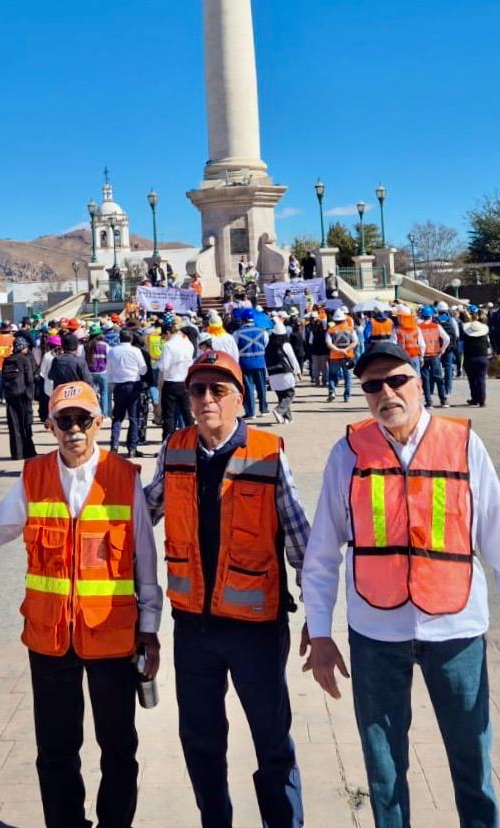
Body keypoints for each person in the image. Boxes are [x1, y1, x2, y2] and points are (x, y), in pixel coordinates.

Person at [302, 341, 500, 828]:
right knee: (384, 772)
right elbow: (323, 553)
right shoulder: (347, 453)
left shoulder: (463, 444)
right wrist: (321, 633)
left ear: (420, 380)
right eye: (373, 386)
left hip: (456, 633)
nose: (386, 393)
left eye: (397, 380)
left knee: (473, 765)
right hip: (376, 636)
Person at [145, 350, 310, 828]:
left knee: (272, 739)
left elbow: (301, 539)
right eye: (198, 389)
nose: (206, 399)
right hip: (193, 629)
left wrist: (317, 622)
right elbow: (142, 513)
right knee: (200, 740)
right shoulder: (174, 449)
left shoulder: (267, 452)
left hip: (256, 630)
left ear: (240, 397)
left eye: (219, 390)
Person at [0, 381, 161, 828]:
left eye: (83, 420)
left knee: (119, 745)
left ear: (99, 423)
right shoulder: (34, 476)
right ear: (50, 426)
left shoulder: (124, 477)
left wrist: (150, 628)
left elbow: (144, 556)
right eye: (64, 421)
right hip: (49, 639)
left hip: (112, 635)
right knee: (56, 749)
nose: (74, 430)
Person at [107, 329, 148, 456]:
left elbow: (109, 370)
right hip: (133, 384)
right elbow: (143, 369)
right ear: (131, 339)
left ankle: (114, 445)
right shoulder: (136, 351)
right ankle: (132, 447)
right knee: (134, 417)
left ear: (119, 338)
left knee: (117, 417)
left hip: (119, 385)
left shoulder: (113, 351)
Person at [158, 317, 195, 441]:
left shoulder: (168, 345)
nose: (163, 338)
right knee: (187, 413)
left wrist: (158, 362)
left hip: (171, 382)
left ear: (168, 333)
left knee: (169, 416)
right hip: (185, 381)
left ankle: (168, 441)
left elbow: (164, 366)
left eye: (163, 336)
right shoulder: (187, 342)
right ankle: (193, 439)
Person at [2, 335, 37, 459]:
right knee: (25, 423)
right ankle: (28, 451)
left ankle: (17, 453)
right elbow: (29, 378)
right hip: (23, 395)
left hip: (10, 396)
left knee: (14, 424)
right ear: (23, 347)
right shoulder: (24, 359)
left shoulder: (7, 360)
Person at [234, 308, 269, 418]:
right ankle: (264, 409)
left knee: (248, 388)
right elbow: (265, 344)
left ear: (243, 320)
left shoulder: (237, 333)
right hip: (260, 362)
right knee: (261, 386)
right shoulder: (263, 331)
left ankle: (251, 412)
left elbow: (235, 347)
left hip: (245, 363)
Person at [266, 319, 300, 423]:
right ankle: (279, 410)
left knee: (282, 396)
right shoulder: (285, 344)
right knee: (290, 394)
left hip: (272, 374)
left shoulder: (268, 346)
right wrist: (298, 372)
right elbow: (292, 359)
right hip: (285, 372)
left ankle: (287, 418)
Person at [325, 308, 359, 405]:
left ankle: (332, 392)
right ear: (344, 319)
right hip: (347, 356)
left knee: (332, 375)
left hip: (334, 357)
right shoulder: (350, 329)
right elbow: (355, 342)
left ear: (335, 320)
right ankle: (346, 396)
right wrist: (346, 349)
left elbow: (328, 343)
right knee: (348, 377)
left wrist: (339, 350)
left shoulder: (330, 330)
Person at [418, 307, 450, 408]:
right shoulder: (437, 326)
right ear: (431, 315)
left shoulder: (419, 327)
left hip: (423, 355)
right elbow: (447, 339)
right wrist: (442, 349)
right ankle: (443, 400)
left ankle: (429, 402)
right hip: (435, 354)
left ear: (422, 315)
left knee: (425, 379)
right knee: (438, 378)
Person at [462, 305, 492, 407]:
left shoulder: (467, 335)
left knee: (472, 380)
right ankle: (482, 400)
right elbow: (488, 345)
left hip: (470, 359)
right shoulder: (484, 336)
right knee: (481, 380)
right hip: (482, 358)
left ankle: (475, 398)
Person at [86, 324, 111, 414]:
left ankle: (93, 411)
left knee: (92, 394)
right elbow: (109, 358)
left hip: (90, 373)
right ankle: (104, 414)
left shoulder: (86, 346)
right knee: (104, 393)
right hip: (103, 372)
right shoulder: (105, 345)